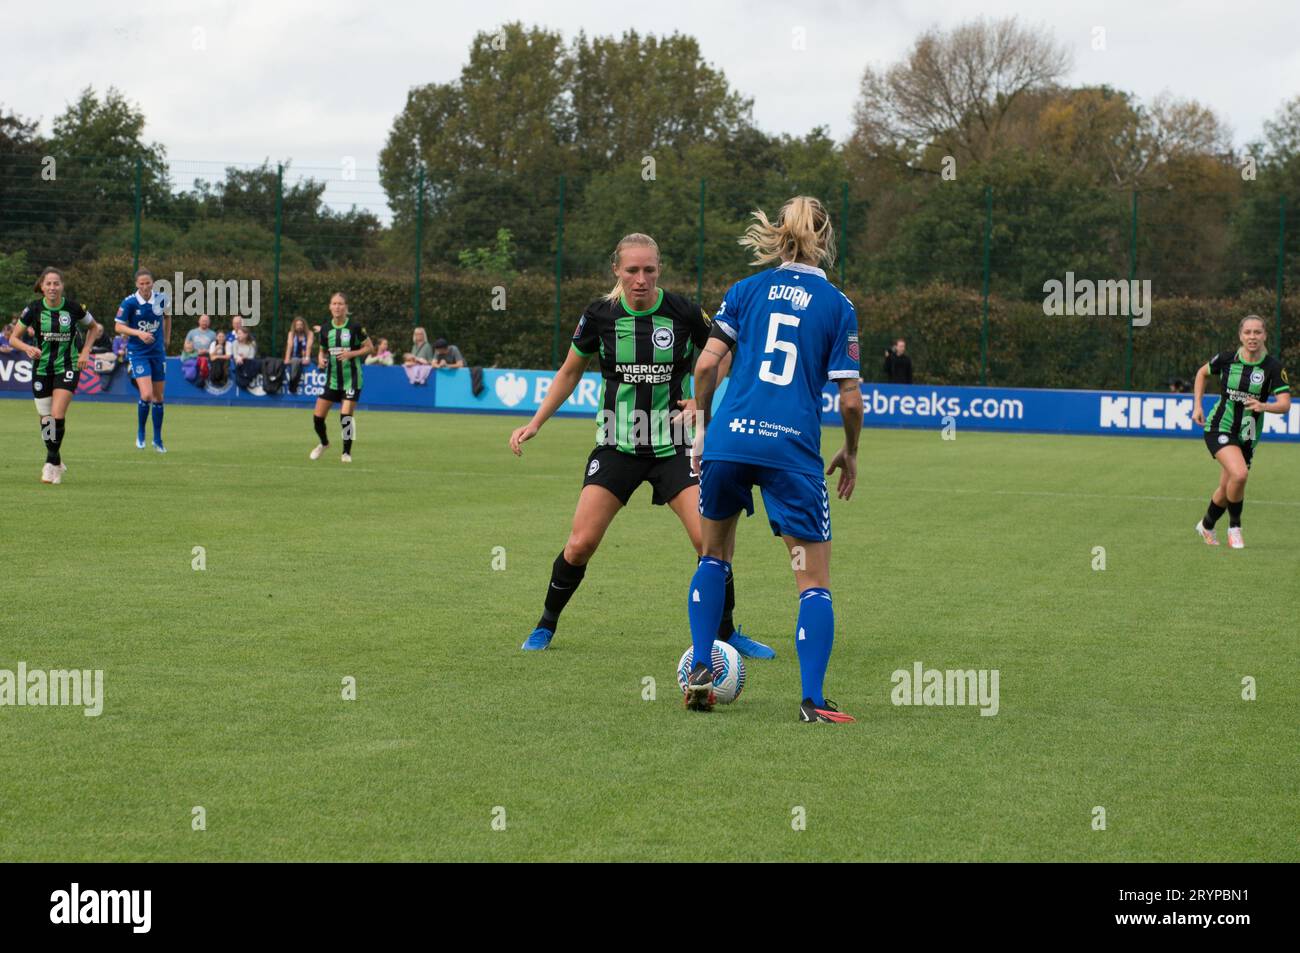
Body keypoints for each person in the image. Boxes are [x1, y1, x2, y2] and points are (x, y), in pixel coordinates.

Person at [509, 232, 773, 660]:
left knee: (710, 545)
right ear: (617, 270)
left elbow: (724, 352)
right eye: (632, 270)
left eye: (649, 270)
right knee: (579, 544)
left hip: (675, 449)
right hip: (617, 445)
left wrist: (700, 399)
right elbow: (569, 372)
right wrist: (536, 423)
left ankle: (727, 635)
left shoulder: (684, 311)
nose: (640, 279)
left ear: (659, 270)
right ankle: (545, 624)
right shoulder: (599, 315)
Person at [687, 196, 863, 722]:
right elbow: (850, 399)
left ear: (779, 236)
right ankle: (810, 701)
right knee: (811, 581)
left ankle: (701, 668)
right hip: (791, 451)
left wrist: (705, 427)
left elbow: (705, 368)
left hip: (731, 441)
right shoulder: (837, 305)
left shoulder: (745, 291)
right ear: (826, 241)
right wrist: (851, 452)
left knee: (714, 557)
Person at [1192, 315, 1291, 549]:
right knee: (1240, 475)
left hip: (1247, 435)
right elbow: (1201, 374)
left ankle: (1206, 525)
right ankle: (1235, 527)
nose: (1252, 337)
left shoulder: (1273, 367)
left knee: (1228, 488)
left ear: (1265, 335)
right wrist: (1197, 405)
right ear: (1240, 335)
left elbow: (1285, 404)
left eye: (1257, 332)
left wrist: (1264, 406)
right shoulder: (1227, 359)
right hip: (1219, 426)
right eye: (1248, 332)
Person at [8, 267, 102, 484]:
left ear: (62, 286)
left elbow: (94, 328)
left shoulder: (73, 308)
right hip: (42, 368)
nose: (52, 287)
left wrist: (85, 351)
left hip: (67, 365)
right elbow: (14, 338)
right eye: (48, 284)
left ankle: (50, 463)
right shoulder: (33, 309)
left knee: (57, 415)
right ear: (42, 286)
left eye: (56, 283)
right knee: (46, 419)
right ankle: (56, 460)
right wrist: (27, 348)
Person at [310, 292, 372, 463]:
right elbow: (322, 349)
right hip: (333, 380)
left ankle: (346, 453)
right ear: (330, 307)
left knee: (345, 416)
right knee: (317, 418)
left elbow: (369, 347)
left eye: (340, 304)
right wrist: (321, 359)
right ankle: (324, 443)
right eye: (334, 303)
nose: (337, 307)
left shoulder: (355, 327)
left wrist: (352, 353)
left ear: (346, 307)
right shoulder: (325, 329)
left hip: (351, 379)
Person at [115, 267, 171, 452]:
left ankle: (158, 439)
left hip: (157, 352)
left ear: (152, 283)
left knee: (159, 397)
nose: (145, 286)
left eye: (148, 283)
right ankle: (141, 433)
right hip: (138, 353)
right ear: (136, 284)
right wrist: (138, 333)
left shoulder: (161, 299)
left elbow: (167, 317)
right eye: (142, 283)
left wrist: (167, 338)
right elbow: (118, 327)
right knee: (146, 394)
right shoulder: (130, 302)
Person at [284, 317, 314, 390]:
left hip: (306, 356)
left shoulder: (310, 333)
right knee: (295, 360)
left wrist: (307, 358)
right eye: (297, 325)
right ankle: (293, 381)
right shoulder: (291, 334)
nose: (299, 326)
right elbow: (289, 346)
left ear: (304, 326)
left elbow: (309, 347)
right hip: (294, 357)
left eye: (301, 325)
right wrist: (287, 358)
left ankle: (293, 382)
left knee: (296, 361)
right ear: (294, 326)